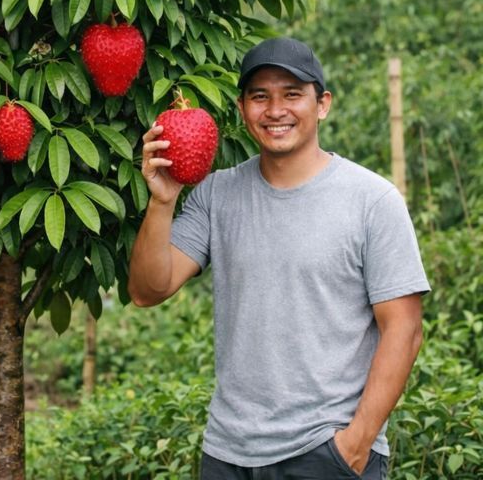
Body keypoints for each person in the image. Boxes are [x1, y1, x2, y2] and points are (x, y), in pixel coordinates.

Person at [128, 37, 430, 480]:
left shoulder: (372, 200)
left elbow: (404, 329)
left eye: (292, 94)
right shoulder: (217, 193)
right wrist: (162, 201)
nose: (275, 110)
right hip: (228, 454)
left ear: (322, 103)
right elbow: (147, 290)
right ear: (241, 107)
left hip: (327, 452)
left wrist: (354, 445)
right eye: (260, 97)